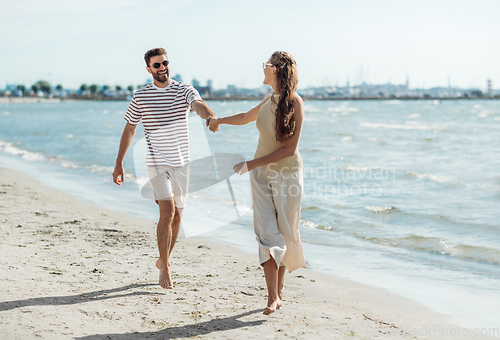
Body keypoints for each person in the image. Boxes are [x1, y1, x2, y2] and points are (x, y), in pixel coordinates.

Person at [208, 51, 306, 315]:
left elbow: (288, 149)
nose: (262, 69)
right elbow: (244, 117)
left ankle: (280, 290)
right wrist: (219, 121)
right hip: (261, 175)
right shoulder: (268, 99)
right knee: (266, 234)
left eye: (265, 65)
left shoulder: (295, 103)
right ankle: (272, 297)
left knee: (286, 233)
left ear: (274, 70)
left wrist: (250, 164)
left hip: (287, 176)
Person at [112, 48, 217, 289]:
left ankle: (164, 259)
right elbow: (130, 130)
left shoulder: (184, 89)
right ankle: (166, 269)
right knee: (167, 212)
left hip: (182, 163)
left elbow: (198, 105)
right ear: (148, 69)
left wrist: (211, 116)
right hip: (156, 162)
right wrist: (119, 164)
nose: (162, 68)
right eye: (156, 65)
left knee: (178, 215)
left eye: (165, 63)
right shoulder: (141, 97)